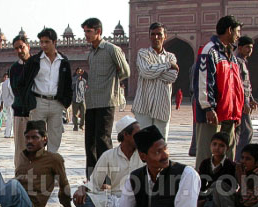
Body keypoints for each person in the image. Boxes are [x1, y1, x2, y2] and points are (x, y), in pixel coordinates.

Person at [0, 120, 77, 207]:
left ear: (44, 139)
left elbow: (64, 186)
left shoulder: (54, 159)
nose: (30, 141)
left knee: (14, 185)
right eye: (27, 138)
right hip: (13, 201)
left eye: (34, 138)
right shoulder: (23, 155)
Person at [82, 17, 130, 179]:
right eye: (85, 32)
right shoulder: (92, 54)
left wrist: (112, 83)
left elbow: (125, 72)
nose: (86, 35)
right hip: (92, 102)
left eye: (89, 31)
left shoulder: (112, 49)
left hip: (106, 101)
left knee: (103, 140)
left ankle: (107, 178)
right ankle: (92, 178)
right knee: (90, 142)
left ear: (98, 32)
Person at [194, 15, 244, 169]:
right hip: (213, 114)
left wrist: (238, 111)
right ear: (229, 30)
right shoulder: (209, 50)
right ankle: (202, 189)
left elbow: (235, 85)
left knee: (228, 156)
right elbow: (203, 80)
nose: (239, 35)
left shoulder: (231, 55)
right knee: (207, 155)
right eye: (237, 31)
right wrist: (208, 107)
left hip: (229, 113)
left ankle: (226, 188)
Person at [73, 116, 143, 207]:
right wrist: (82, 189)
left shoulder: (144, 154)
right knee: (78, 198)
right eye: (137, 135)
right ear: (126, 135)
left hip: (139, 200)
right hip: (116, 200)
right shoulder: (108, 155)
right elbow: (94, 182)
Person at [20, 28, 72, 153]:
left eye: (47, 42)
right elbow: (23, 82)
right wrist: (28, 101)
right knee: (36, 136)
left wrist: (65, 102)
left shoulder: (63, 62)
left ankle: (51, 164)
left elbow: (68, 84)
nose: (43, 45)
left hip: (56, 103)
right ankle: (38, 165)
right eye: (41, 42)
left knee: (55, 137)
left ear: (54, 42)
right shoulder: (34, 61)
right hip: (39, 102)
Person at [132, 22, 178, 141]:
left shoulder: (171, 56)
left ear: (165, 36)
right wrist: (167, 65)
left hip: (162, 107)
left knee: (160, 145)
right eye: (152, 34)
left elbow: (172, 77)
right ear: (149, 36)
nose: (155, 37)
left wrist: (154, 69)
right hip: (143, 106)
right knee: (143, 146)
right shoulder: (143, 53)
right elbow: (145, 72)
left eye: (159, 34)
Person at [197, 131, 236, 207]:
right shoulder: (205, 163)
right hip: (208, 196)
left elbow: (230, 188)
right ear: (210, 145)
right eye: (214, 144)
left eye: (221, 145)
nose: (217, 148)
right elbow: (201, 185)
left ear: (227, 148)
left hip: (222, 198)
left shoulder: (230, 166)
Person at [234, 36, 258, 162]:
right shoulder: (237, 62)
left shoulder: (243, 62)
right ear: (240, 48)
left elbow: (246, 83)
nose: (250, 50)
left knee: (239, 132)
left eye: (251, 47)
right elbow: (238, 84)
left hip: (244, 100)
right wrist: (244, 102)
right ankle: (239, 160)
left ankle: (236, 159)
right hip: (241, 101)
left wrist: (251, 98)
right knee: (247, 131)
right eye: (247, 47)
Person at [9, 35, 31, 168]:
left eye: (21, 47)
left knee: (38, 144)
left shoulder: (38, 65)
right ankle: (20, 172)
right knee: (20, 145)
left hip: (36, 111)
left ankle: (40, 173)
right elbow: (15, 89)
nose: (19, 51)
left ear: (28, 47)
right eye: (16, 48)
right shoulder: (14, 68)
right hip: (20, 111)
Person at [0, 73, 14, 138]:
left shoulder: (4, 83)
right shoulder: (10, 82)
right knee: (11, 119)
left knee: (9, 118)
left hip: (6, 103)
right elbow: (12, 93)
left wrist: (2, 103)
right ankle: (9, 133)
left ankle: (7, 133)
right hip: (11, 103)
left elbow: (2, 95)